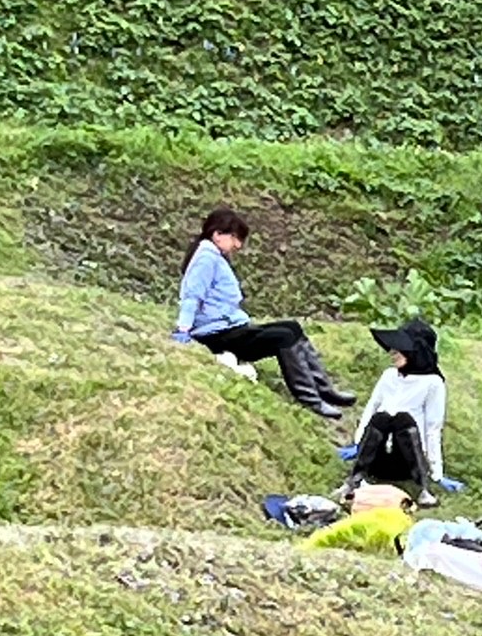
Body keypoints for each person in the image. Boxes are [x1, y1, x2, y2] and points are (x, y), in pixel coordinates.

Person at [173, 208, 354, 419]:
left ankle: (325, 390)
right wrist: (183, 329)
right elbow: (193, 295)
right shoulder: (206, 258)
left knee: (292, 327)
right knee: (283, 337)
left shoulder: (215, 257)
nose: (238, 245)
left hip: (230, 328)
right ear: (217, 234)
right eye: (235, 238)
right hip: (216, 335)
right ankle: (311, 399)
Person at [335, 319, 447, 508]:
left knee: (403, 419)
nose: (393, 353)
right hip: (378, 457)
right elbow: (372, 407)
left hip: (408, 461)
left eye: (400, 349)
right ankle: (354, 480)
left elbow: (433, 428)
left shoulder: (432, 383)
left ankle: (423, 489)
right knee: (382, 418)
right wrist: (359, 442)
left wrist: (436, 472)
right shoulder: (389, 376)